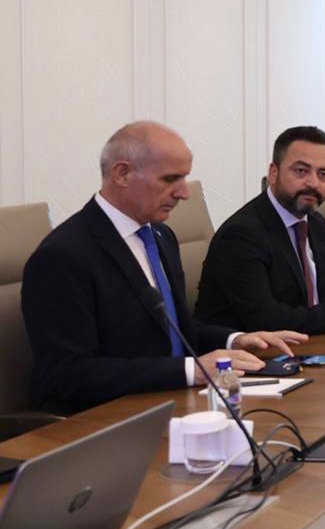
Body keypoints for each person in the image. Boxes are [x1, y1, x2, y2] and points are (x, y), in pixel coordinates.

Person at [23, 122, 306, 414]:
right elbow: (67, 374)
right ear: (122, 174)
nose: (184, 193)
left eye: (184, 178)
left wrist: (236, 339)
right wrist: (192, 370)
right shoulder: (63, 256)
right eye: (170, 179)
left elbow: (172, 330)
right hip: (104, 418)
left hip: (172, 401)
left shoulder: (160, 236)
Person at [196, 127, 325, 335]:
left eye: (323, 174)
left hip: (312, 343)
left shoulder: (315, 223)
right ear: (274, 173)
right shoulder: (241, 235)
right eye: (301, 171)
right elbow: (267, 320)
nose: (313, 183)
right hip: (253, 351)